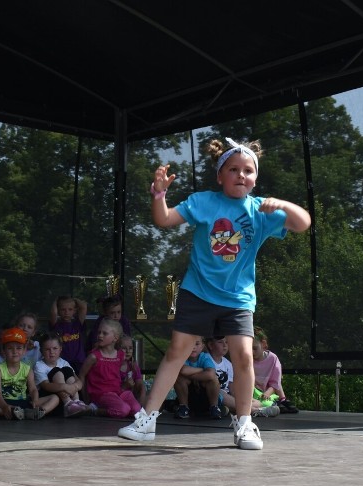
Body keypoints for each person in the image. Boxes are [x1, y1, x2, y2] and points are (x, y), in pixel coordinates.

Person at [118, 138, 311, 450]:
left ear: (255, 178)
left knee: (244, 356)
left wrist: (284, 205)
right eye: (233, 169)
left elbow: (303, 224)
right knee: (176, 351)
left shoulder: (260, 210)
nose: (240, 175)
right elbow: (163, 219)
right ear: (220, 175)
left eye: (248, 170)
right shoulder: (203, 201)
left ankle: (245, 424)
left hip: (237, 299)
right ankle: (147, 419)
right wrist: (159, 194)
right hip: (198, 291)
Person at [0, 327, 59, 420]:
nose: (15, 352)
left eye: (19, 348)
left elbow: (33, 389)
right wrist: (4, 406)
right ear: (3, 350)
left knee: (54, 398)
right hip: (4, 402)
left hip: (23, 402)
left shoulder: (27, 369)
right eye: (10, 348)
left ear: (24, 351)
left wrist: (35, 400)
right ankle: (10, 412)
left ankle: (38, 412)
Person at [79, 318, 140, 419]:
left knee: (137, 410)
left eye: (105, 333)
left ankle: (116, 406)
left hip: (118, 392)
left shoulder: (120, 355)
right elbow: (82, 375)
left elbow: (118, 372)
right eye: (99, 332)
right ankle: (94, 410)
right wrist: (86, 400)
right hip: (101, 394)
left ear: (115, 338)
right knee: (123, 410)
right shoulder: (94, 356)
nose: (100, 335)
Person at [33, 331, 88, 417]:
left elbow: (78, 381)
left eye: (55, 348)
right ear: (41, 351)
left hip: (68, 395)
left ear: (60, 349)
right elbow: (46, 385)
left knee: (67, 370)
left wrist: (75, 387)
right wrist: (65, 387)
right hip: (52, 398)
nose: (51, 352)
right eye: (47, 349)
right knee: (56, 371)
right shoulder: (39, 365)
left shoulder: (63, 362)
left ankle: (76, 402)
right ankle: (68, 404)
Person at [253, 327, 298, 413]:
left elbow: (275, 382)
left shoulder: (273, 358)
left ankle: (282, 400)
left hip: (268, 391)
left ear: (263, 344)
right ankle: (274, 405)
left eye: (255, 348)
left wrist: (267, 393)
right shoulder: (248, 359)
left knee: (278, 382)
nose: (252, 352)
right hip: (254, 391)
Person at [49, 296, 87, 372]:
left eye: (70, 309)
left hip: (79, 361)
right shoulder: (56, 325)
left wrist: (73, 299)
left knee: (80, 381)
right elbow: (53, 313)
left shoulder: (77, 324)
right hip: (63, 362)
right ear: (58, 311)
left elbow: (83, 307)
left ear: (74, 311)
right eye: (63, 309)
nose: (66, 312)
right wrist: (56, 301)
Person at [118, 334, 146, 406]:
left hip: (132, 398)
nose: (128, 351)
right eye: (124, 348)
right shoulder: (113, 366)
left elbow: (140, 384)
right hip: (117, 399)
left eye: (130, 348)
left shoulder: (133, 365)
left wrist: (142, 400)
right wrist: (125, 386)